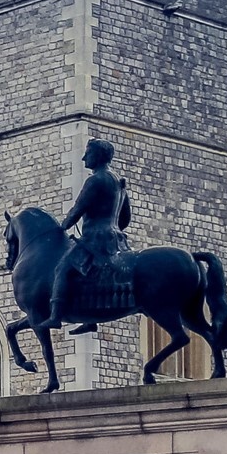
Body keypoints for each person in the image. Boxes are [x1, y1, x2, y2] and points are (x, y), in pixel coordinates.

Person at [41, 139, 132, 329]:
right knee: (91, 275)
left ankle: (56, 316)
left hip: (95, 239)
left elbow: (78, 208)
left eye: (88, 153)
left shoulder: (95, 180)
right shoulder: (118, 181)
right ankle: (90, 319)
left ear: (97, 156)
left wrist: (63, 226)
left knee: (63, 269)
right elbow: (125, 218)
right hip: (115, 239)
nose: (84, 158)